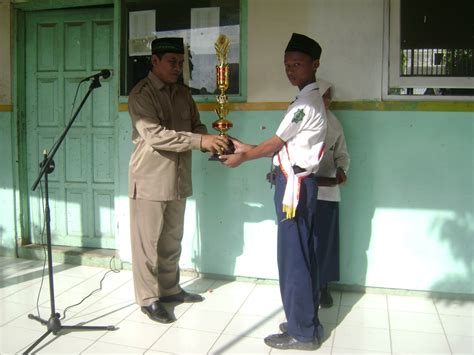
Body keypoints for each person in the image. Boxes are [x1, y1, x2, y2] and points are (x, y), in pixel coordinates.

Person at [220, 33, 326, 351]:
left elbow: (276, 144)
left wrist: (244, 157)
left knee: (293, 259)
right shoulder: (307, 100)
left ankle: (302, 332)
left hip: (294, 189)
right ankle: (305, 320)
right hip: (300, 183)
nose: (291, 70)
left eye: (298, 64)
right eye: (287, 65)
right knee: (303, 256)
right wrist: (247, 147)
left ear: (315, 64)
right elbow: (284, 149)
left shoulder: (304, 104)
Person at [128, 37, 229, 324]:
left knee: (172, 240)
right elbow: (155, 135)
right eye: (172, 62)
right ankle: (148, 299)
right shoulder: (141, 94)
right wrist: (201, 140)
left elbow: (196, 125)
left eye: (181, 63)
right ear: (154, 61)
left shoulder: (184, 94)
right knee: (146, 243)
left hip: (178, 177)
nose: (177, 67)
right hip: (149, 178)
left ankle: (170, 290)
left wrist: (214, 139)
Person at [315, 79, 350, 307]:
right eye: (322, 95)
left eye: (329, 96)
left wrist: (340, 170)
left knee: (326, 241)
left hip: (327, 191)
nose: (326, 100)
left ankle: (324, 286)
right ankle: (308, 285)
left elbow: (342, 154)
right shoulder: (300, 118)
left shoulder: (335, 124)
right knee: (307, 241)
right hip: (301, 190)